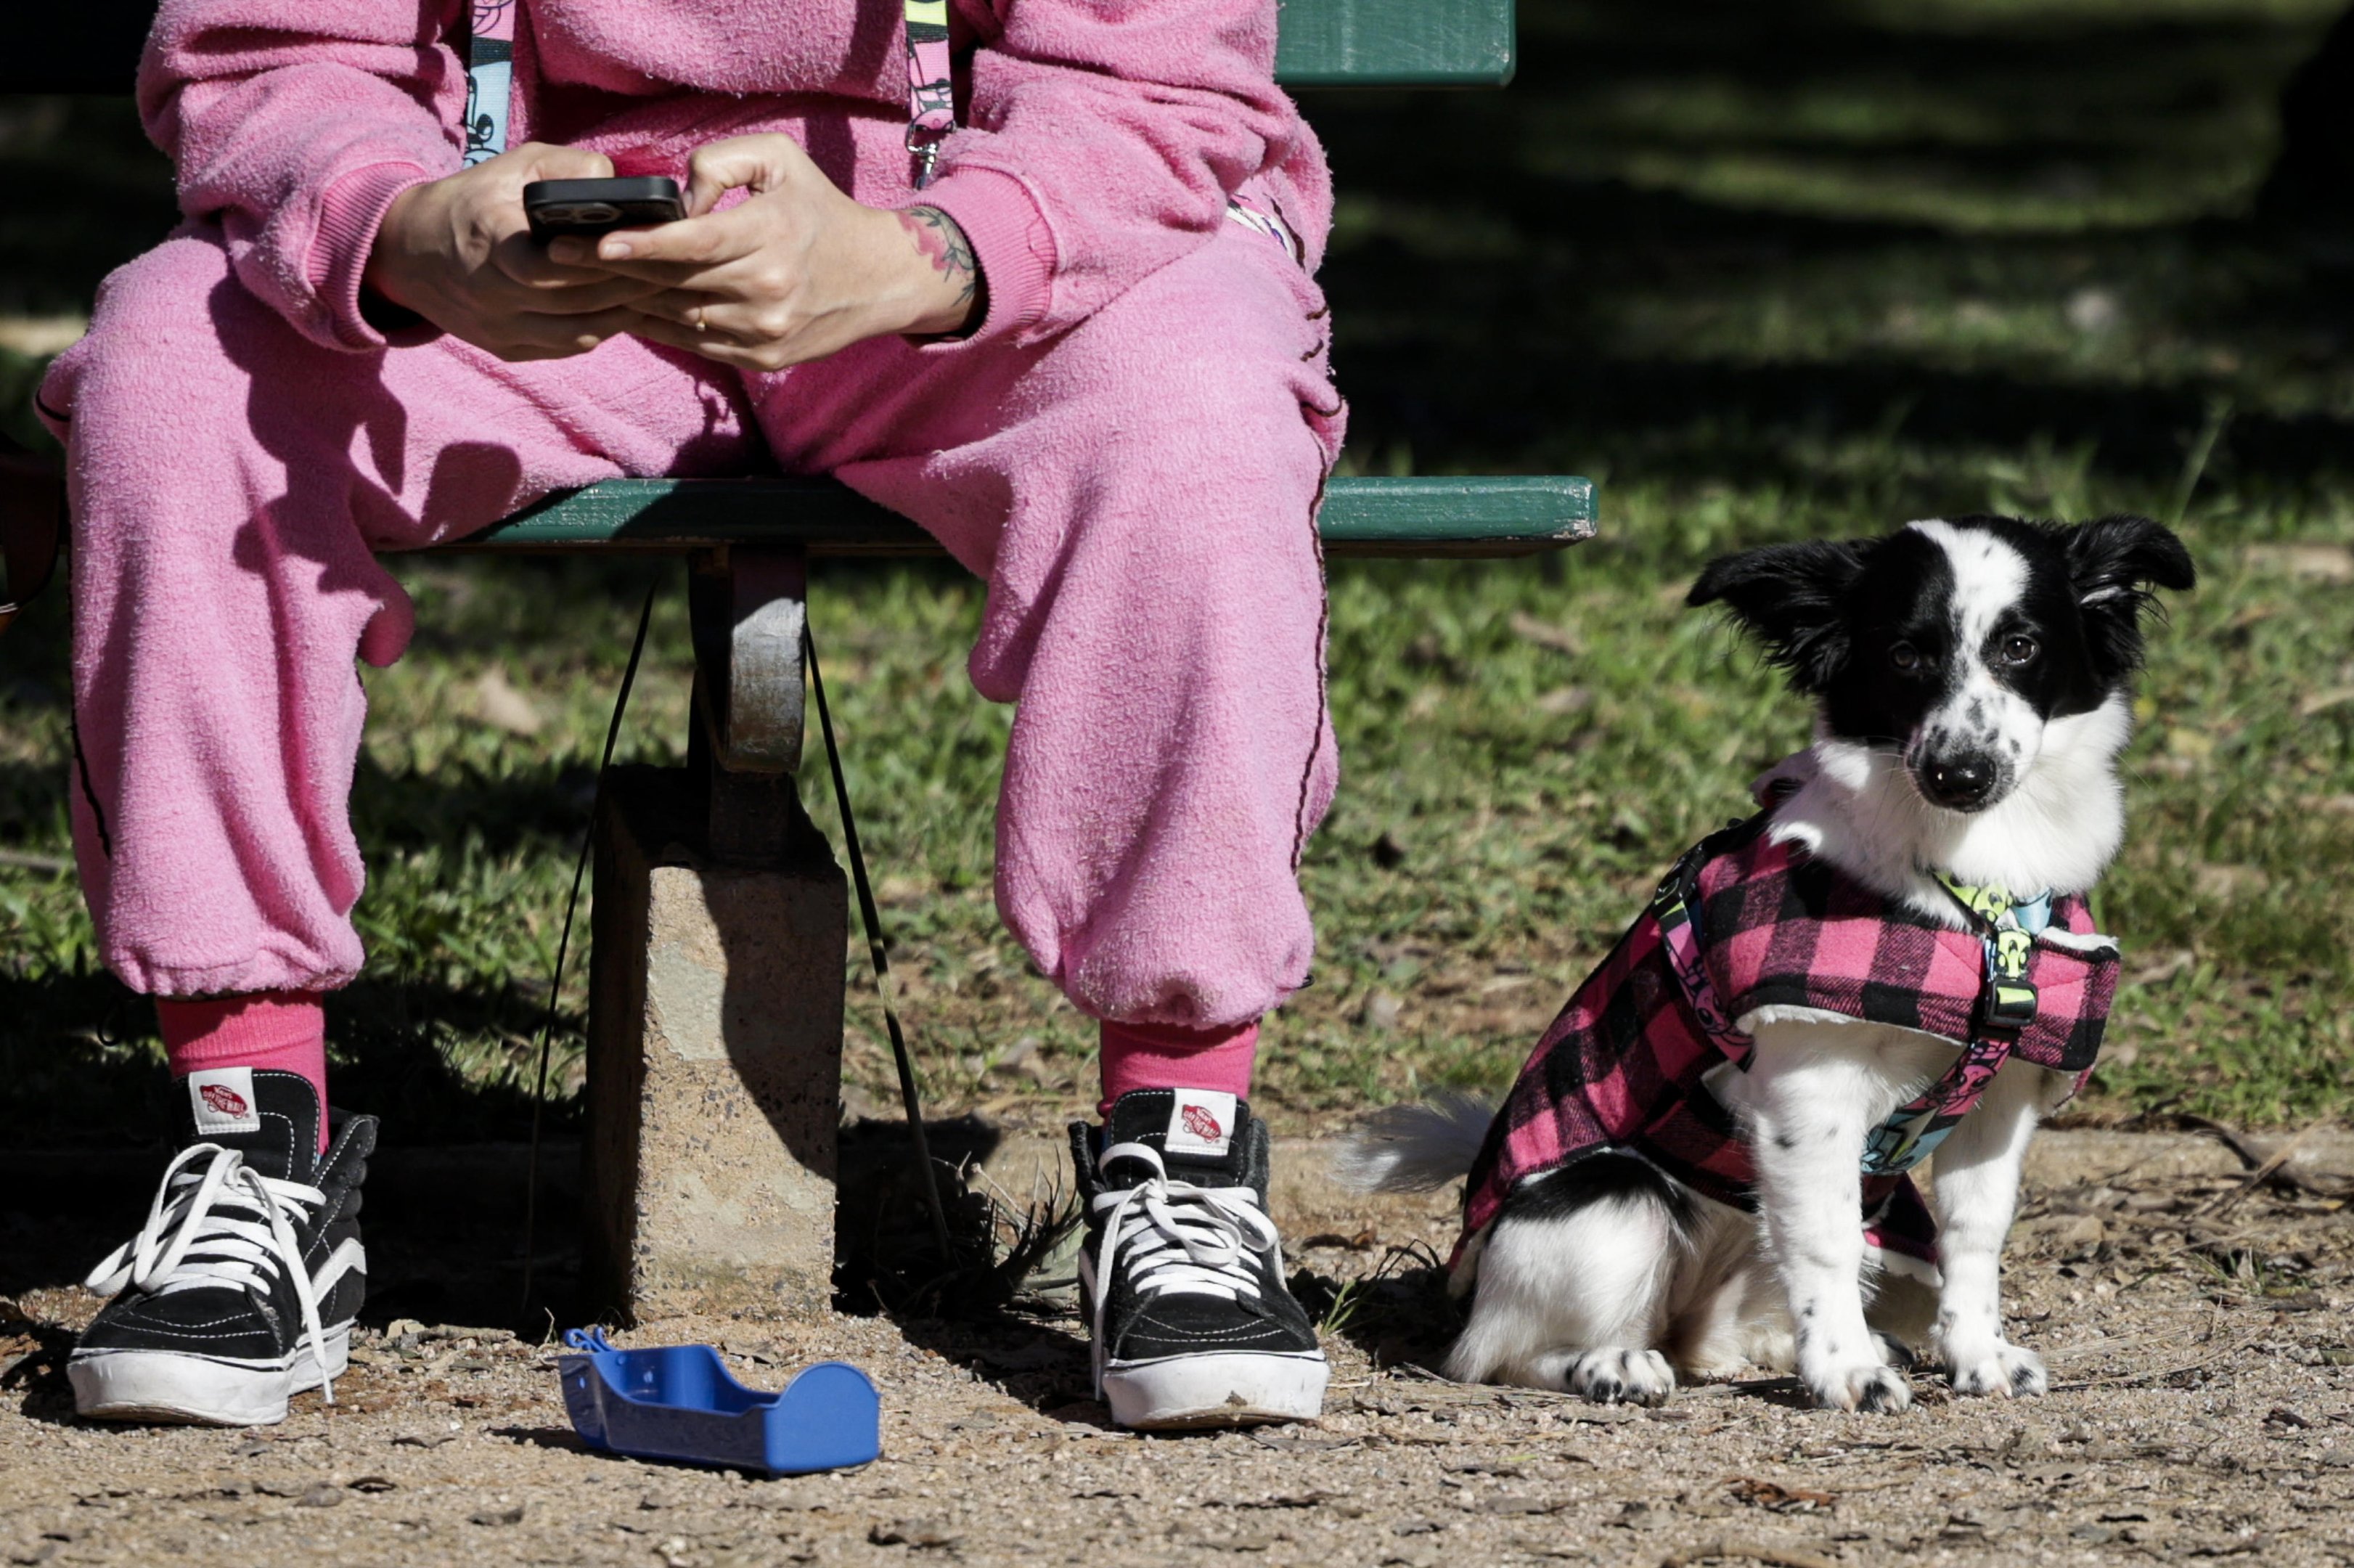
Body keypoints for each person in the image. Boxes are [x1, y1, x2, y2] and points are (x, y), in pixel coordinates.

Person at [41, 0, 1345, 1431]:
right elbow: (278, 52)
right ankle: (252, 1145)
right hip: (530, 282)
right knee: (179, 372)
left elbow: (1145, 77)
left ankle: (1184, 1143)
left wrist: (929, 252)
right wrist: (402, 224)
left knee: (1196, 408)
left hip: (968, 251)